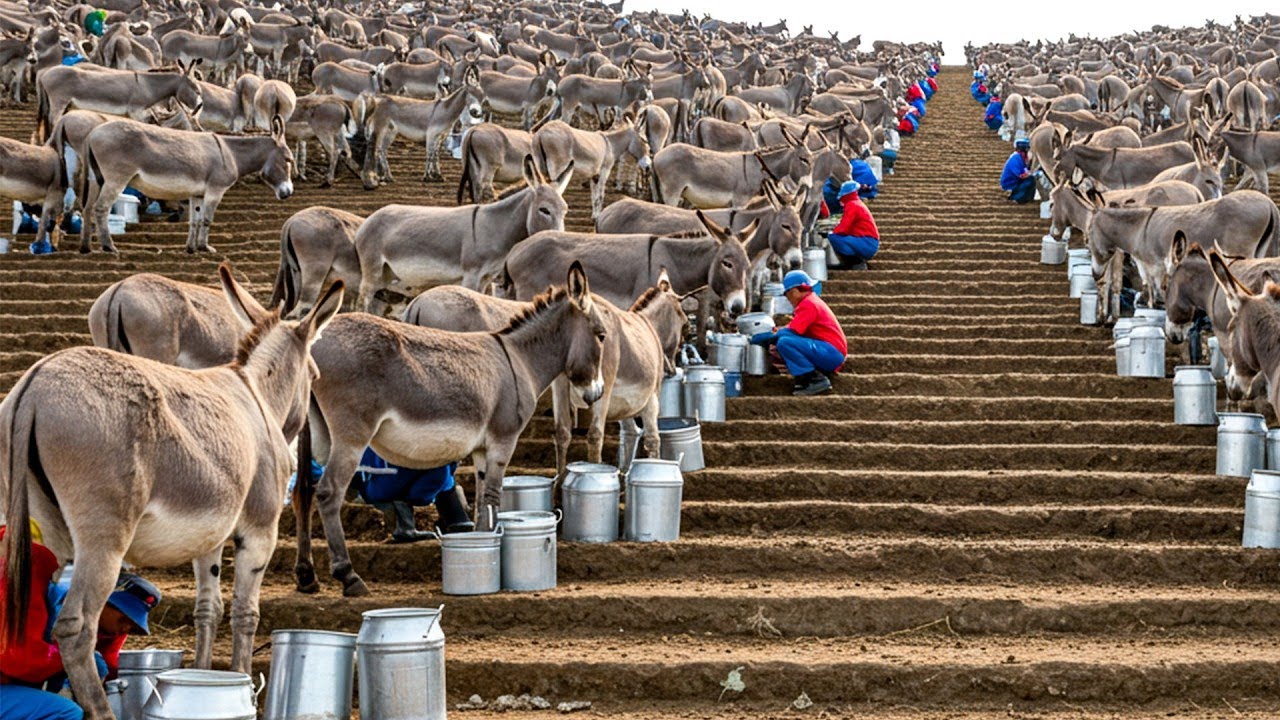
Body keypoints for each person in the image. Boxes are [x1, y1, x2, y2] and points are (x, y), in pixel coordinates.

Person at [1, 523, 160, 720]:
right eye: (124, 618)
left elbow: (108, 665)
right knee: (65, 711)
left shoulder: (108, 629)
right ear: (103, 599)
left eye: (133, 627)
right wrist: (75, 660)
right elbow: (18, 659)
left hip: (13, 680)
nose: (125, 628)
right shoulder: (46, 598)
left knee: (96, 666)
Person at [749, 270, 847, 396]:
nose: (788, 299)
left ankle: (814, 379)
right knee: (784, 339)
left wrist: (762, 338)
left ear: (794, 291)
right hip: (830, 351)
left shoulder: (808, 304)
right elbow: (793, 328)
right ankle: (805, 378)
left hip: (831, 353)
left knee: (785, 343)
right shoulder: (811, 301)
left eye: (787, 294)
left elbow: (793, 331)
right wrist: (778, 331)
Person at [353, 449, 474, 541]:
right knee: (444, 470)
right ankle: (456, 520)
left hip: (375, 481)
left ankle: (456, 520)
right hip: (383, 485)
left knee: (442, 468)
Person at [826, 181, 879, 270]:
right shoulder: (856, 203)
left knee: (834, 238)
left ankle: (855, 262)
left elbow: (844, 227)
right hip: (869, 242)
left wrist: (830, 233)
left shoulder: (852, 205)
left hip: (867, 242)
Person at [1001, 137, 1038, 203]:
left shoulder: (1020, 159)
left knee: (1031, 180)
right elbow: (1021, 175)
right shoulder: (1015, 159)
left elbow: (1025, 170)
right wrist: (1032, 174)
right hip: (1010, 184)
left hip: (1016, 182)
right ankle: (1016, 197)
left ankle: (1027, 199)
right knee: (1030, 180)